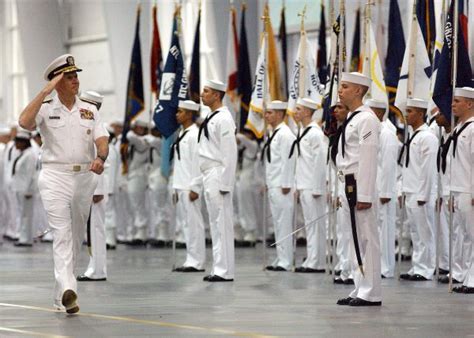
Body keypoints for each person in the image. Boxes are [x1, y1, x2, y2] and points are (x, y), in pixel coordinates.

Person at [18, 54, 109, 314]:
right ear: (56, 81)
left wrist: (101, 157)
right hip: (55, 175)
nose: (75, 81)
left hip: (84, 176)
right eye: (68, 77)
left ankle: (62, 297)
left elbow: (102, 141)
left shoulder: (89, 109)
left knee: (77, 236)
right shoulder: (46, 106)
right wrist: (44, 90)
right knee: (62, 233)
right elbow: (24, 122)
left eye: (75, 76)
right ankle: (70, 287)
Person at [335, 72, 382, 307]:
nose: (339, 90)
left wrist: (364, 194)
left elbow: (368, 156)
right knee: (353, 239)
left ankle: (371, 292)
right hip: (348, 184)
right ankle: (359, 287)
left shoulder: (367, 119)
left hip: (359, 186)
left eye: (344, 87)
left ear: (358, 91)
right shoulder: (353, 118)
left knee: (366, 239)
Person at [198, 79, 237, 282]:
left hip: (217, 173)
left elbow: (229, 152)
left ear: (216, 95)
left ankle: (224, 270)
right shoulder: (211, 116)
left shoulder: (223, 118)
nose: (202, 94)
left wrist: (225, 182)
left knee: (222, 223)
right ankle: (219, 267)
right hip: (208, 173)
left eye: (206, 91)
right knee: (215, 223)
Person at [399, 98, 438, 282]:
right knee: (415, 232)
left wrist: (423, 194)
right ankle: (417, 266)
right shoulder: (414, 135)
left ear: (421, 114)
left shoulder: (428, 137)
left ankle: (426, 269)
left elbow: (428, 169)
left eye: (410, 111)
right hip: (411, 190)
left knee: (425, 233)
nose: (406, 115)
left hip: (421, 193)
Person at [292, 98, 327, 273]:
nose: (294, 112)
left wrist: (317, 187)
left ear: (307, 112)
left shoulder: (315, 133)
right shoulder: (304, 131)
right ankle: (311, 259)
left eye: (298, 109)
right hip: (304, 184)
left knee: (315, 225)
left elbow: (320, 162)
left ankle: (317, 262)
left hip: (313, 186)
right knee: (309, 225)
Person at [76, 91, 108, 282]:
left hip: (96, 188)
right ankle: (94, 268)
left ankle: (97, 270)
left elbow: (103, 162)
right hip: (89, 186)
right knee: (91, 230)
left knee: (96, 230)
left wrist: (98, 191)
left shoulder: (98, 129)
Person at [366, 99, 399, 278]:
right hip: (374, 188)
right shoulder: (374, 131)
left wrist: (386, 191)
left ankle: (385, 267)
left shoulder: (387, 134)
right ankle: (377, 265)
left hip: (383, 190)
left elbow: (388, 165)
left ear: (378, 113)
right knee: (375, 230)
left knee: (385, 230)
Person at [172, 100, 206, 272]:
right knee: (186, 225)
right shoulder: (182, 133)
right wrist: (175, 187)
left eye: (181, 112)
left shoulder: (195, 134)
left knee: (194, 225)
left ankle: (197, 261)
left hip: (189, 186)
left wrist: (195, 186)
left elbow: (198, 162)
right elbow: (180, 163)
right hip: (181, 184)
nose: (177, 115)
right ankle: (190, 259)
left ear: (190, 114)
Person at [263, 100, 296, 272]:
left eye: (269, 113)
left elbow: (288, 160)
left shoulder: (285, 134)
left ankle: (286, 260)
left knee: (284, 224)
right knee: (277, 223)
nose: (266, 116)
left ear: (279, 114)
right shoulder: (274, 132)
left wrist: (286, 183)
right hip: (274, 183)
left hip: (283, 185)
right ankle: (280, 256)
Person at [450, 87, 474, 294]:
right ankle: (468, 277)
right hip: (459, 188)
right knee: (466, 236)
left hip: (469, 189)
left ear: (470, 104)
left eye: (457, 101)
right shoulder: (459, 128)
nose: (453, 104)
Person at [11, 129, 37, 247]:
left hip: (27, 190)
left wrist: (29, 190)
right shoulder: (23, 153)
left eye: (17, 142)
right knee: (23, 214)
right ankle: (23, 237)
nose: (16, 144)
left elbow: (32, 174)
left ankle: (26, 239)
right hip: (20, 189)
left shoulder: (30, 154)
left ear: (24, 142)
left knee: (27, 215)